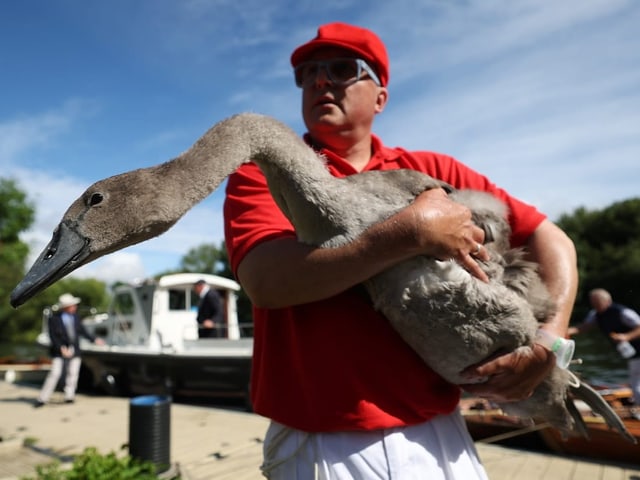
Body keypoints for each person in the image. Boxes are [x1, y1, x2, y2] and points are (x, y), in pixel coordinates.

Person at [223, 22, 578, 479]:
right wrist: (408, 235)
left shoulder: (432, 169)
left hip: (441, 435)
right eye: (307, 73)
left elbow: (553, 238)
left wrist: (552, 341)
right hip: (322, 442)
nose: (320, 81)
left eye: (342, 68)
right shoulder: (266, 173)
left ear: (380, 97)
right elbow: (266, 281)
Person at [568, 288, 640, 405]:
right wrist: (566, 331)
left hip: (638, 351)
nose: (595, 306)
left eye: (597, 303)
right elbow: (584, 327)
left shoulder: (623, 312)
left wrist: (626, 336)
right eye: (593, 303)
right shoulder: (596, 314)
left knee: (636, 383)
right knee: (635, 381)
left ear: (607, 301)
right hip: (632, 354)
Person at [34, 293, 104, 407]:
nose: (75, 307)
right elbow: (53, 337)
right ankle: (43, 398)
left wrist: (94, 339)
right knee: (55, 373)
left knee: (73, 373)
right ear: (66, 306)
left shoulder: (76, 317)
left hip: (74, 349)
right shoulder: (54, 319)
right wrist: (61, 348)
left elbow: (82, 331)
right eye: (73, 305)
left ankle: (69, 396)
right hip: (59, 350)